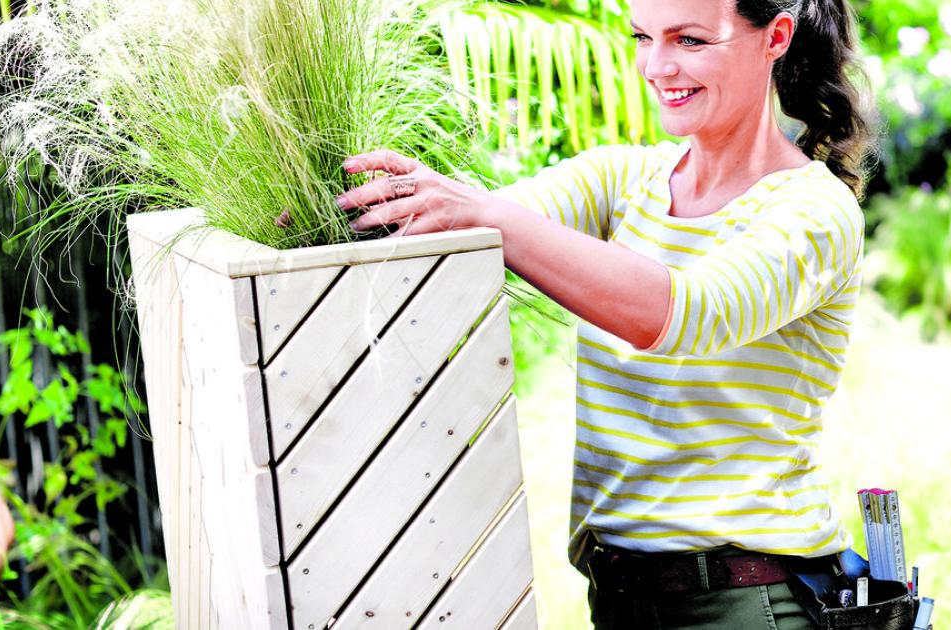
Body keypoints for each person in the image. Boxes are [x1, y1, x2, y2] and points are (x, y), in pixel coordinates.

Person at [335, 0, 875, 626]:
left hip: (746, 601)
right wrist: (333, 210)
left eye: (690, 40)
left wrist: (485, 214)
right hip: (619, 598)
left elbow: (683, 314)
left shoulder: (815, 210)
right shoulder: (625, 181)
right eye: (644, 37)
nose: (657, 65)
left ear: (775, 37)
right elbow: (463, 235)